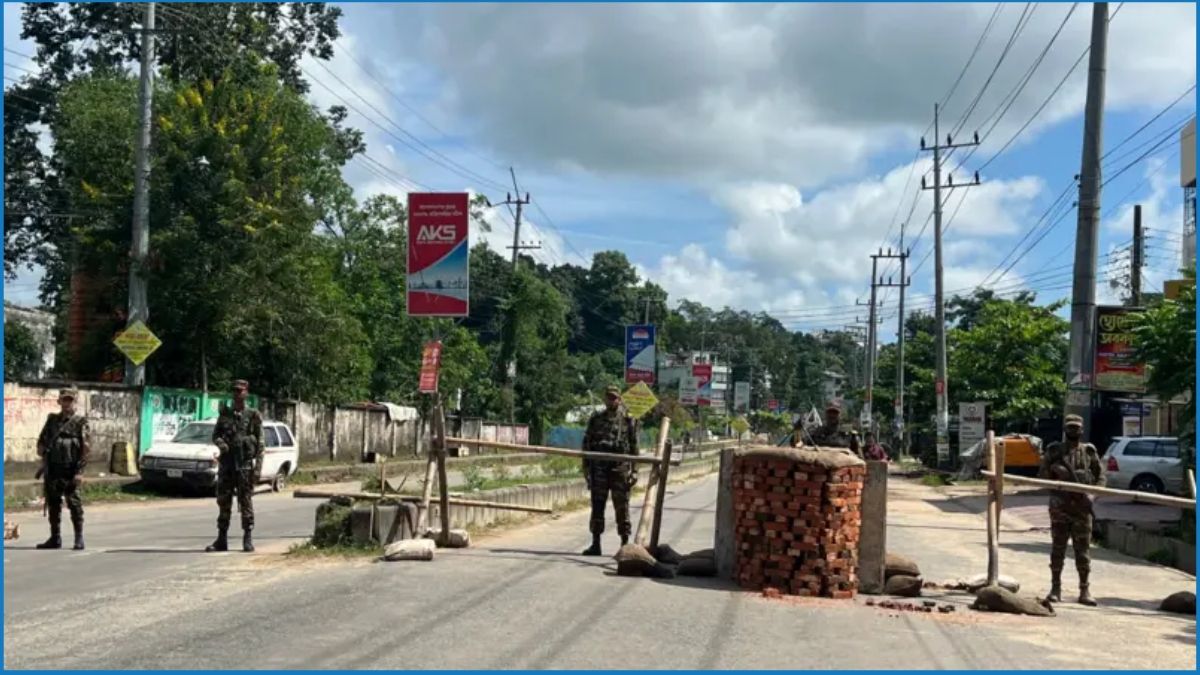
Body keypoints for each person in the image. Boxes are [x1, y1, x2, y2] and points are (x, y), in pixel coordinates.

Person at [1038, 414, 1104, 606]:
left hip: (1081, 509)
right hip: (1060, 507)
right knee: (1057, 549)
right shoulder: (1054, 451)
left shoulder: (1089, 452)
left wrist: (1092, 496)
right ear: (1064, 429)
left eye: (1076, 427)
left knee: (1082, 551)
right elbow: (1042, 476)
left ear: (1082, 430)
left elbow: (1101, 478)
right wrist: (1055, 472)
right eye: (1070, 427)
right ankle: (1055, 588)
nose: (1073, 430)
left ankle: (1084, 589)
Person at [580, 385, 638, 556]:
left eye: (614, 398)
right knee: (597, 506)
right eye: (608, 397)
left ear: (619, 399)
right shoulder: (596, 419)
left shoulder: (627, 420)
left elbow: (634, 447)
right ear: (605, 399)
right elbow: (587, 444)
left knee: (622, 507)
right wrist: (586, 468)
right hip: (599, 469)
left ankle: (624, 545)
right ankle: (596, 544)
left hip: (620, 469)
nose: (611, 400)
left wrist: (634, 470)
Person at [207, 380, 264, 553]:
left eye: (240, 391)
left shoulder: (253, 415)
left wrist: (258, 469)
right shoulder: (225, 414)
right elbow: (215, 435)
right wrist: (222, 444)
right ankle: (221, 539)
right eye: (235, 391)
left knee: (245, 501)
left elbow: (260, 444)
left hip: (244, 466)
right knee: (223, 501)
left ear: (246, 393)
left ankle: (248, 538)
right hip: (227, 465)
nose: (237, 394)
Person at [35, 387, 90, 550]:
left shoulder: (80, 422)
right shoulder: (52, 420)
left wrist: (79, 472)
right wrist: (42, 451)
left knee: (74, 504)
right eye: (64, 400)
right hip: (53, 469)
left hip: (71, 470)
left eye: (70, 400)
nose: (67, 403)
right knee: (53, 504)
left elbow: (86, 449)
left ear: (75, 402)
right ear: (59, 401)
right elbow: (42, 440)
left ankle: (79, 538)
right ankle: (55, 538)